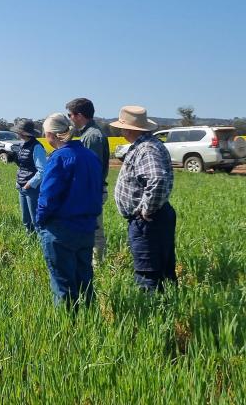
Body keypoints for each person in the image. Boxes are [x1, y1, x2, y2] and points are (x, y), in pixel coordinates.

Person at [36, 113, 102, 308]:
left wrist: (40, 221)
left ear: (52, 135)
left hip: (60, 229)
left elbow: (47, 197)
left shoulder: (59, 158)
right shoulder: (90, 156)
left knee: (63, 285)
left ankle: (67, 330)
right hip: (87, 227)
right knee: (85, 282)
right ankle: (90, 321)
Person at [111, 105, 177, 292]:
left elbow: (157, 178)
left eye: (122, 126)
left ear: (128, 129)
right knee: (161, 270)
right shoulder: (145, 145)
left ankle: (153, 314)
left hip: (149, 221)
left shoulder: (147, 148)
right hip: (153, 218)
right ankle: (168, 310)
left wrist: (146, 209)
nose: (121, 130)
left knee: (148, 273)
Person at [66, 97, 110, 265]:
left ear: (79, 115)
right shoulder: (87, 134)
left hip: (91, 192)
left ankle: (98, 265)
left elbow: (91, 170)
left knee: (95, 230)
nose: (69, 118)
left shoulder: (92, 137)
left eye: (70, 115)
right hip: (89, 191)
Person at [11, 119, 46, 234]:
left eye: (18, 131)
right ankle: (30, 240)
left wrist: (29, 184)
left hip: (32, 188)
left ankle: (41, 244)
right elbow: (22, 166)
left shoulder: (37, 147)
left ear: (23, 133)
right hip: (22, 186)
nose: (17, 133)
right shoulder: (22, 145)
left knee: (36, 219)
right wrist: (19, 182)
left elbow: (42, 170)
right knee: (26, 220)